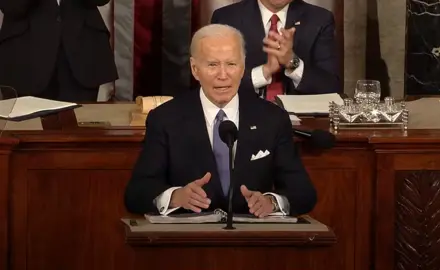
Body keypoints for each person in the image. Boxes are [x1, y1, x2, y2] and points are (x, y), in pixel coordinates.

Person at [124, 24, 316, 217]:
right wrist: (175, 196)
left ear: (242, 68)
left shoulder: (272, 119)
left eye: (231, 64)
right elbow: (137, 193)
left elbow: (303, 193)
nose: (223, 75)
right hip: (189, 241)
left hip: (252, 239)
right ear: (195, 69)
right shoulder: (165, 119)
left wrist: (271, 202)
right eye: (212, 65)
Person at [210, 0, 340, 101]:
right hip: (243, 118)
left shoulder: (320, 19)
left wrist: (293, 63)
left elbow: (330, 87)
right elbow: (214, 82)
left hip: (302, 124)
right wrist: (264, 72)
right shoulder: (226, 18)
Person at [0, 0, 118, 102]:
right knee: (26, 126)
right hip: (24, 57)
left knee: (78, 126)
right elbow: (11, 6)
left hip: (83, 54)